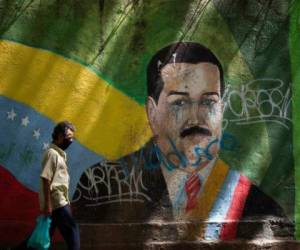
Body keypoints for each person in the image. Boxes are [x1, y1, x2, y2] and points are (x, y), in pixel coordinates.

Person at [73, 42, 291, 240]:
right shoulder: (100, 187)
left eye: (208, 102)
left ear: (222, 111)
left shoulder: (259, 206)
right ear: (152, 112)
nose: (195, 118)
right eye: (179, 103)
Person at [14, 121, 80, 250]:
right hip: (56, 202)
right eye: (69, 137)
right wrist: (48, 205)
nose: (71, 141)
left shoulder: (59, 155)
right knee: (73, 230)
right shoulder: (52, 154)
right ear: (60, 136)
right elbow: (46, 179)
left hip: (58, 201)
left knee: (42, 234)